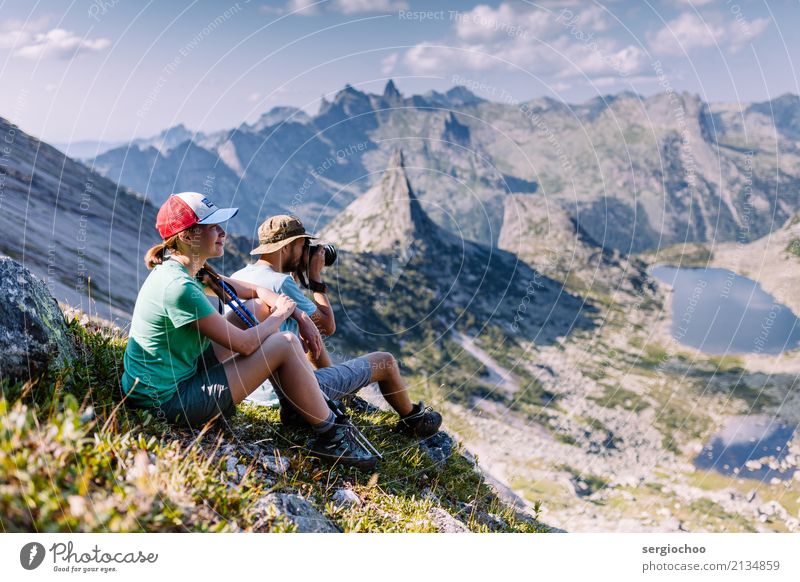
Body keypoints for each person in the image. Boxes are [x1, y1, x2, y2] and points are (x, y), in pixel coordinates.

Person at [120, 192, 378, 469]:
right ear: (186, 236)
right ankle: (331, 436)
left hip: (179, 374)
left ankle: (302, 406)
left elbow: (255, 291)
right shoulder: (180, 288)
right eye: (213, 226)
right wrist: (280, 316)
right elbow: (244, 345)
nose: (222, 232)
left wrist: (300, 314)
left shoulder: (190, 271)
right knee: (284, 342)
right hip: (165, 402)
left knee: (257, 308)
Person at [228, 214, 442, 438]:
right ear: (286, 248)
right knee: (385, 361)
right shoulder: (281, 282)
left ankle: (340, 393)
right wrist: (316, 278)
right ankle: (414, 420)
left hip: (251, 390)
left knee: (307, 338)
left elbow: (311, 335)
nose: (305, 252)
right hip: (287, 394)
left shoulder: (239, 276)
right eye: (302, 246)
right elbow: (326, 326)